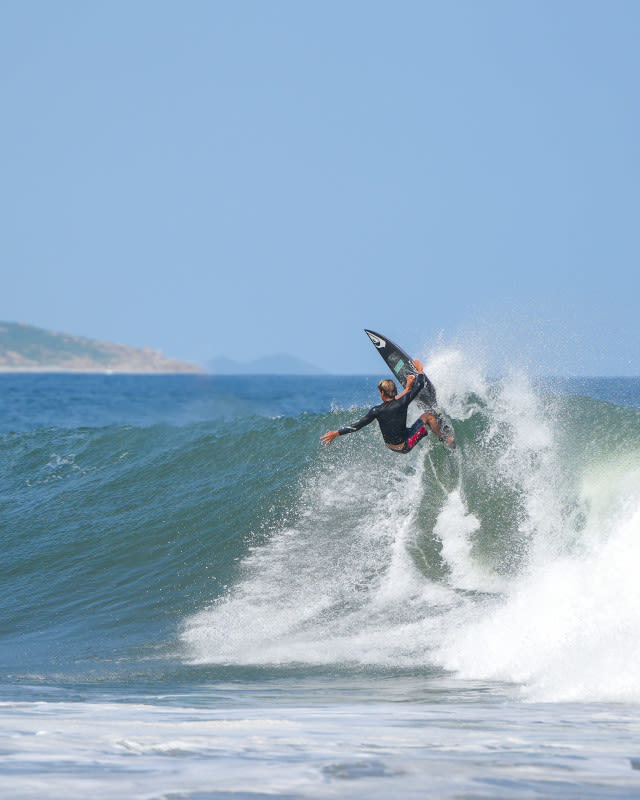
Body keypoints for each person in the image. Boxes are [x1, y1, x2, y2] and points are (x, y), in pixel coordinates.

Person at [321, 359, 452, 453]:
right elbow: (420, 385)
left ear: (382, 393)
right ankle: (444, 438)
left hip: (391, 445)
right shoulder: (403, 402)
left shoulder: (376, 410)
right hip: (405, 445)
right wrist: (420, 369)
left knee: (405, 415)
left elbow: (357, 426)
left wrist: (336, 433)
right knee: (428, 416)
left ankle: (433, 433)